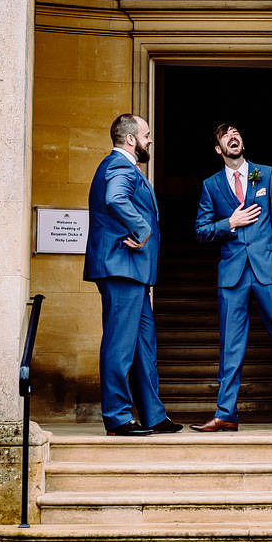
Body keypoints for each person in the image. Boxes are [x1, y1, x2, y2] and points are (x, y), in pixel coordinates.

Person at [191, 122, 272, 432]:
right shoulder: (211, 185)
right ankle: (226, 414)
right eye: (225, 136)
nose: (233, 137)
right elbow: (201, 231)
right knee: (230, 345)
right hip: (232, 276)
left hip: (267, 272)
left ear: (242, 142)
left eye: (236, 133)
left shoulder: (267, 174)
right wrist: (228, 222)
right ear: (219, 149)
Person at [83, 113, 181, 437]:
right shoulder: (118, 166)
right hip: (120, 267)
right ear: (130, 139)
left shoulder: (126, 168)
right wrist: (142, 228)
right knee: (119, 346)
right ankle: (117, 418)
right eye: (147, 134)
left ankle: (153, 415)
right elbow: (115, 199)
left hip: (134, 272)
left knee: (143, 347)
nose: (150, 140)